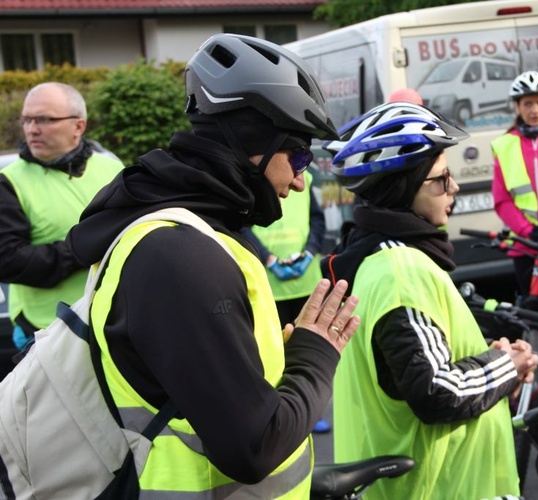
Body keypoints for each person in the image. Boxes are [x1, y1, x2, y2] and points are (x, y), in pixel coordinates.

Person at [65, 34, 359, 497]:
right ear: (253, 144)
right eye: (298, 156)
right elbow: (253, 447)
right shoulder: (178, 254)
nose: (301, 182)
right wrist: (316, 355)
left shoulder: (188, 231)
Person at [322, 101, 538, 499]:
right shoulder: (400, 270)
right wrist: (507, 365)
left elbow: (414, 367)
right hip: (435, 488)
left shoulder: (375, 257)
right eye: (440, 179)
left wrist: (484, 360)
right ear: (403, 187)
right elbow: (438, 390)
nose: (453, 187)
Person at [0, 82, 124, 351]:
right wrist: (80, 249)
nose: (32, 129)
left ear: (79, 126)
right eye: (27, 120)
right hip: (45, 330)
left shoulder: (112, 168)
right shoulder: (9, 182)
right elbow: (7, 261)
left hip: (111, 319)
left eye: (44, 120)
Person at [490, 71, 538, 380]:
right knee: (534, 315)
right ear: (517, 107)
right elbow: (502, 199)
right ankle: (534, 377)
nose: (534, 110)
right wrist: (527, 230)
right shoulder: (504, 145)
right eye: (527, 104)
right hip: (527, 245)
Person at [242, 171, 333, 433]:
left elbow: (316, 219)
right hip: (270, 283)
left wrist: (310, 251)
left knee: (307, 350)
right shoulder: (255, 177)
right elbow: (244, 225)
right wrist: (269, 258)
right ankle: (277, 415)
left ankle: (310, 413)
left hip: (306, 282)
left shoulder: (308, 179)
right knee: (273, 353)